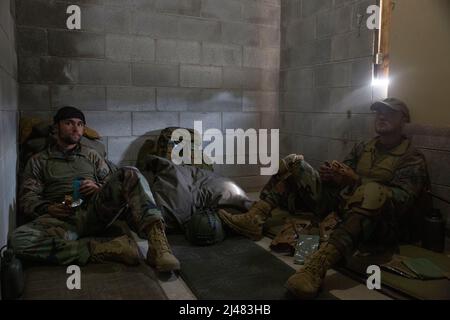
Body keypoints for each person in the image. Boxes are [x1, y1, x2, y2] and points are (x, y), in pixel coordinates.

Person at [219, 98, 429, 298]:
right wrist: (333, 175)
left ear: (403, 119)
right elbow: (344, 173)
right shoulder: (364, 147)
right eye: (379, 112)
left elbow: (402, 201)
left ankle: (316, 267)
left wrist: (355, 180)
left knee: (373, 191)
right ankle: (255, 218)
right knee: (295, 163)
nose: (381, 117)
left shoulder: (411, 157)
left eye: (389, 113)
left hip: (381, 223)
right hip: (342, 206)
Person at [10, 106, 180, 272]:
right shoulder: (39, 161)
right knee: (18, 241)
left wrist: (98, 187)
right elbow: (28, 198)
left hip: (94, 211)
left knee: (130, 173)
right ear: (56, 127)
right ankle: (102, 248)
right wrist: (48, 208)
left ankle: (158, 245)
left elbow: (111, 181)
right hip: (60, 219)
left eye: (80, 124)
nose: (76, 128)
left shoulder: (91, 155)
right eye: (69, 123)